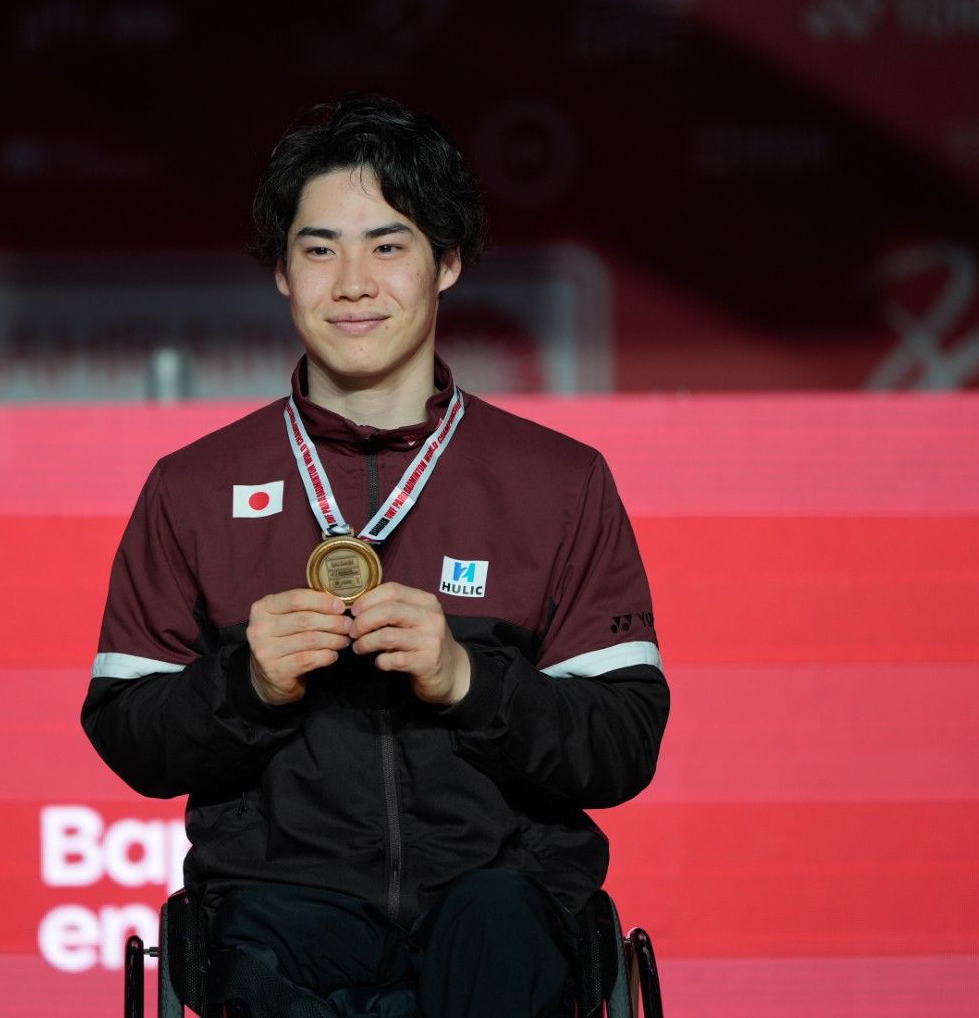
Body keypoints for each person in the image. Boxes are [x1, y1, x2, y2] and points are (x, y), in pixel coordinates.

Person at [81, 95, 668, 1018]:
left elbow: (624, 742)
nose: (353, 283)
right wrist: (245, 687)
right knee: (262, 953)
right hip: (279, 904)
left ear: (448, 261)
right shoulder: (192, 487)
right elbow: (128, 729)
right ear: (283, 273)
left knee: (499, 922)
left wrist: (469, 680)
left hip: (501, 904)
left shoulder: (559, 482)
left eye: (388, 246)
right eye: (319, 250)